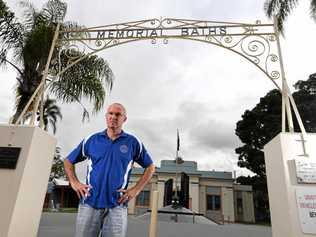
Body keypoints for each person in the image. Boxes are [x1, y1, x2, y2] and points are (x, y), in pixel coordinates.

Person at [64, 103, 155, 237]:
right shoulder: (92, 140)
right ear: (106, 117)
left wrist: (136, 190)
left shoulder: (133, 142)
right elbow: (68, 160)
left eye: (118, 114)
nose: (113, 117)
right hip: (89, 202)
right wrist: (74, 182)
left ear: (124, 119)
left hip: (117, 206)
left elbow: (150, 167)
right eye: (110, 113)